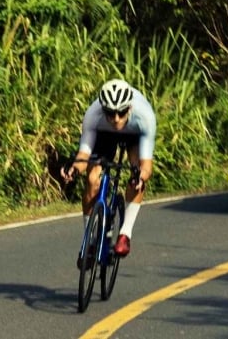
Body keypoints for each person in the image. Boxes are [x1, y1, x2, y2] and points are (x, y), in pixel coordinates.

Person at [60, 78, 156, 258]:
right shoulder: (93, 115)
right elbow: (84, 156)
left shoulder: (145, 117)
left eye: (120, 113)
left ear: (129, 108)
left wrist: (140, 177)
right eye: (110, 113)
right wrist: (73, 169)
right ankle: (89, 239)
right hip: (104, 135)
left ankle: (125, 234)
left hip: (134, 133)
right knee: (91, 179)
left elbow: (147, 167)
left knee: (136, 175)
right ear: (103, 109)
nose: (116, 119)